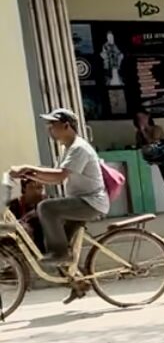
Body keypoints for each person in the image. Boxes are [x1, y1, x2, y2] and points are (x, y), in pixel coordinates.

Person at [10, 108, 109, 267]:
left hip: (90, 203)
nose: (49, 128)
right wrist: (29, 175)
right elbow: (55, 179)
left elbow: (59, 175)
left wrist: (28, 168)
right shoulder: (67, 148)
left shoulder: (79, 148)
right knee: (64, 241)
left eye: (53, 124)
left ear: (66, 126)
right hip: (79, 202)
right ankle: (77, 282)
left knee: (46, 208)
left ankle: (60, 253)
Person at [8, 176, 46, 252]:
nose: (36, 191)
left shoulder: (46, 203)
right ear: (24, 188)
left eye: (40, 187)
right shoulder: (13, 205)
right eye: (32, 187)